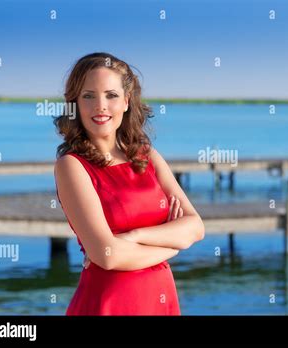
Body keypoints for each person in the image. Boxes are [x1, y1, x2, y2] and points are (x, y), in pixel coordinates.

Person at [53, 52, 205, 315]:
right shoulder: (72, 166)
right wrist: (172, 247)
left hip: (160, 297)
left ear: (126, 101)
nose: (100, 106)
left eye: (111, 95)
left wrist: (136, 236)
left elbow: (195, 227)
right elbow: (108, 255)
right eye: (89, 96)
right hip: (108, 303)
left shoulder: (147, 156)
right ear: (75, 104)